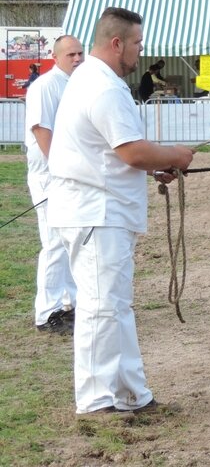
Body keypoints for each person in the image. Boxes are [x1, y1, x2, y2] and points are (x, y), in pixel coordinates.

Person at [47, 7, 194, 418]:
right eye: (136, 44)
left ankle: (132, 394)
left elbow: (113, 152)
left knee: (114, 306)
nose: (139, 52)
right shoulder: (104, 87)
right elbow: (131, 150)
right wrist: (176, 156)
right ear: (117, 44)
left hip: (98, 210)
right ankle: (96, 402)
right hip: (96, 213)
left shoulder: (91, 80)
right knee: (102, 308)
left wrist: (157, 165)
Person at [24, 35, 84, 335]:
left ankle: (68, 303)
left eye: (80, 53)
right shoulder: (45, 86)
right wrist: (60, 168)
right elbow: (40, 130)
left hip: (66, 173)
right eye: (71, 54)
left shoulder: (75, 85)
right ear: (56, 56)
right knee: (53, 242)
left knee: (69, 239)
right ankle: (46, 312)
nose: (77, 58)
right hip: (49, 174)